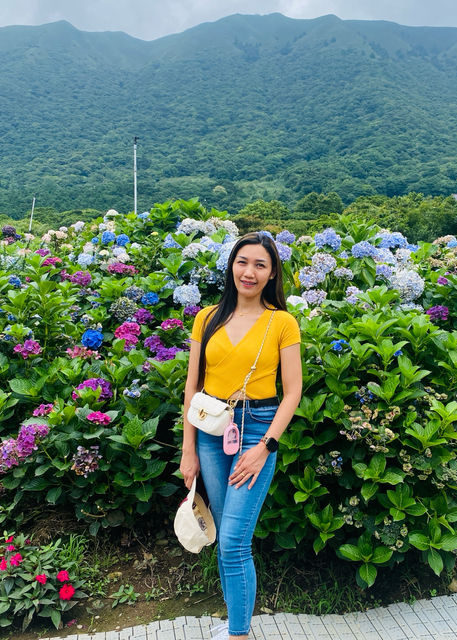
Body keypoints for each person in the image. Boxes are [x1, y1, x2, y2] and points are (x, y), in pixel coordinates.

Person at [180, 232, 302, 640]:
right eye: (242, 262)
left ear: (272, 274)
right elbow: (191, 386)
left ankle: (238, 634)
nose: (249, 272)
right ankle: (236, 629)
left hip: (258, 427)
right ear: (231, 265)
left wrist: (265, 447)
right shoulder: (207, 318)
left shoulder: (281, 322)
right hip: (211, 429)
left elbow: (293, 392)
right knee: (225, 539)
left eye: (260, 265)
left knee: (233, 540)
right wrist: (188, 450)